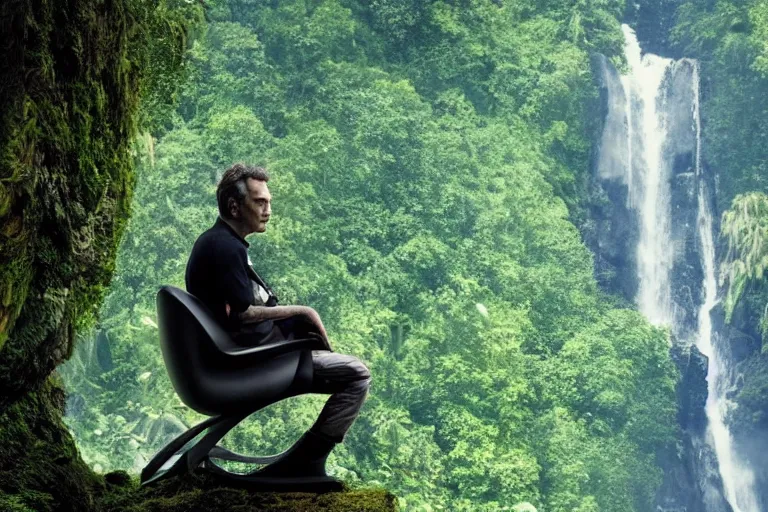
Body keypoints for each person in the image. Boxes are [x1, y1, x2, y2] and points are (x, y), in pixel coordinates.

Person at [184, 162, 371, 478]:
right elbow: (242, 315)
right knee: (357, 375)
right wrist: (303, 313)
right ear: (234, 206)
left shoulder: (221, 242)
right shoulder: (224, 248)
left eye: (268, 201)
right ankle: (306, 463)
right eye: (260, 202)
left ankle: (302, 460)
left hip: (242, 355)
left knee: (333, 357)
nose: (268, 209)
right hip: (248, 363)